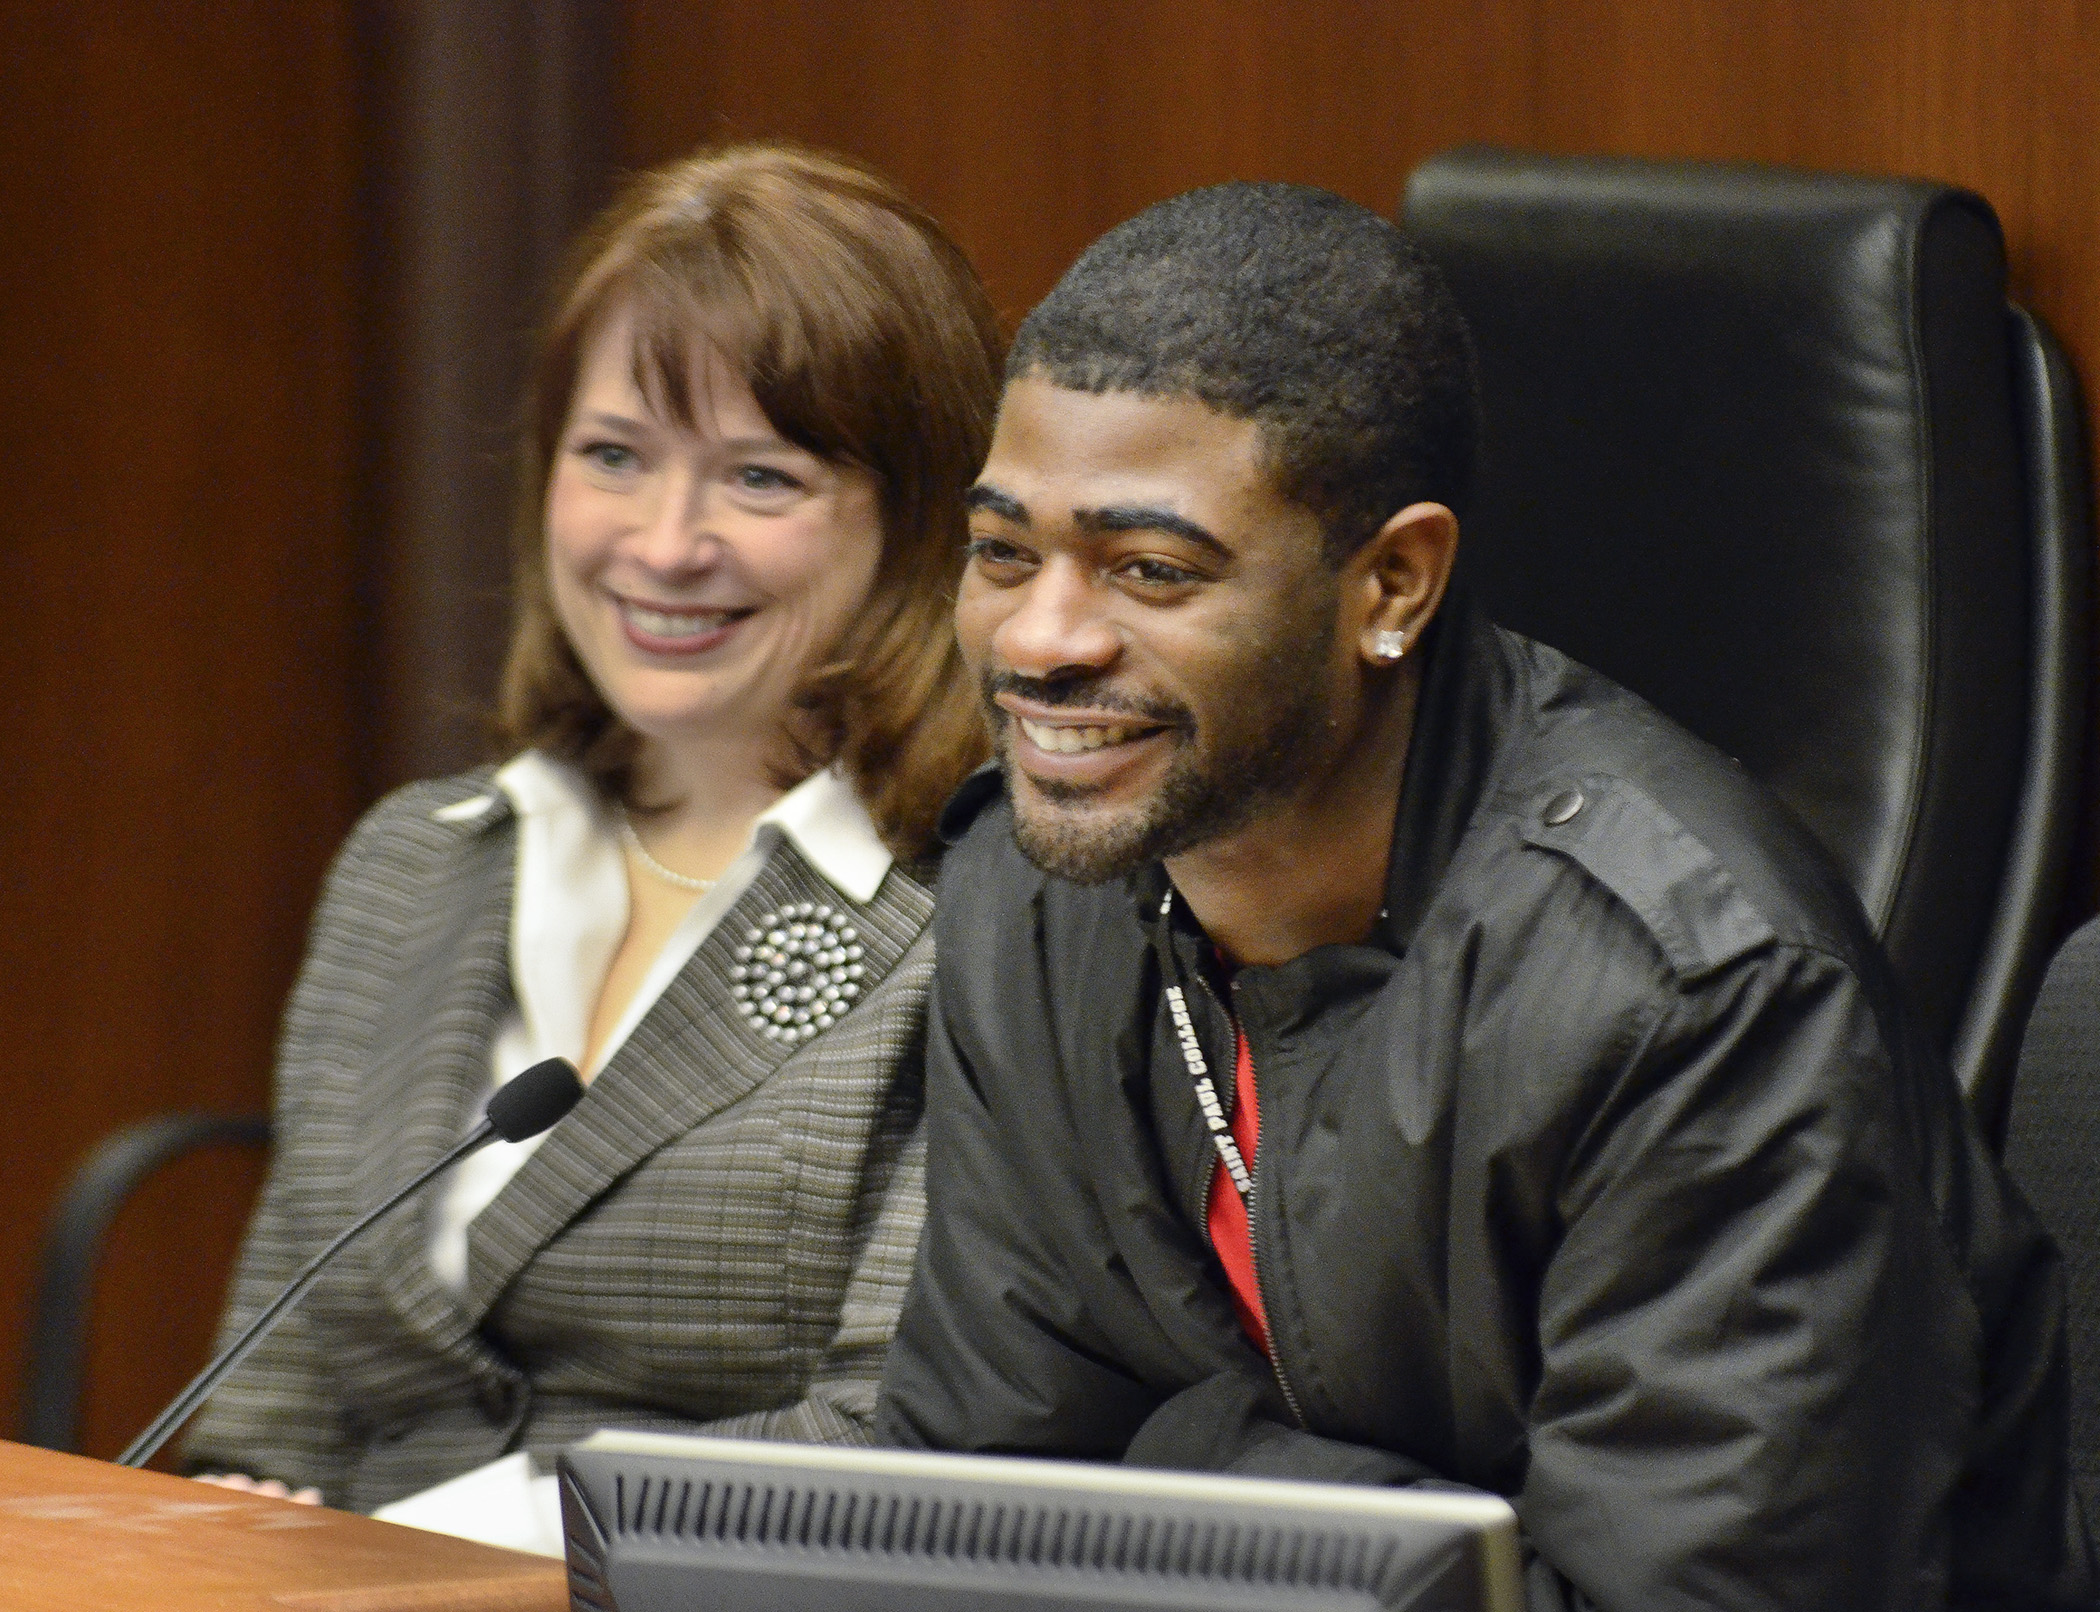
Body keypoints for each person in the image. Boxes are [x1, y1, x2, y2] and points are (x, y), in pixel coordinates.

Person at [874, 182, 2093, 1610]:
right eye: (1004, 552)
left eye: (1149, 570)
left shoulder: (1695, 993)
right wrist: (1413, 1536)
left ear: (1392, 584)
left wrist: (1201, 1465)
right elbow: (977, 1533)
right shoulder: (1032, 897)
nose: (1040, 639)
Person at [184, 141, 1001, 1517]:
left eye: (760, 480)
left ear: (914, 524)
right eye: (614, 455)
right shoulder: (416, 863)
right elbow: (273, 1403)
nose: (664, 542)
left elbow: (899, 1432)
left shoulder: (983, 908)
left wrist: (422, 1554)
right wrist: (244, 1514)